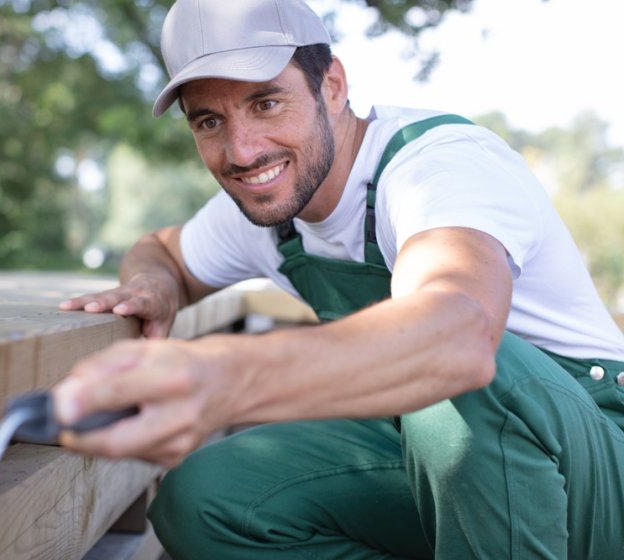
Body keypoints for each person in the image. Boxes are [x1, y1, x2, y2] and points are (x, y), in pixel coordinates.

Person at [53, 0, 624, 557]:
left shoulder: (437, 166)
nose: (243, 150)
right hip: (447, 469)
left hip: (593, 464)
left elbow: (459, 336)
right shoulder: (267, 209)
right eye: (209, 120)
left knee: (443, 375)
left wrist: (227, 377)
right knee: (206, 502)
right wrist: (154, 288)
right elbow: (160, 251)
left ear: (332, 85)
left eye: (266, 103)